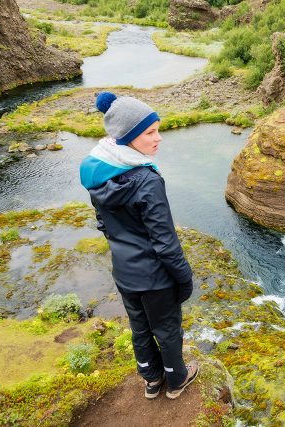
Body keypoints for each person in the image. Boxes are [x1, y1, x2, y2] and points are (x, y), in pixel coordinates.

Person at [80, 92, 198, 400]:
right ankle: (176, 381)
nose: (158, 138)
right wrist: (184, 279)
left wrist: (124, 250)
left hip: (125, 273)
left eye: (158, 129)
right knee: (168, 330)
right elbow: (165, 243)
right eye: (149, 132)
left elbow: (104, 223)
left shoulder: (98, 173)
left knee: (141, 328)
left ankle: (151, 380)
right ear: (129, 137)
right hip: (155, 277)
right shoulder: (147, 180)